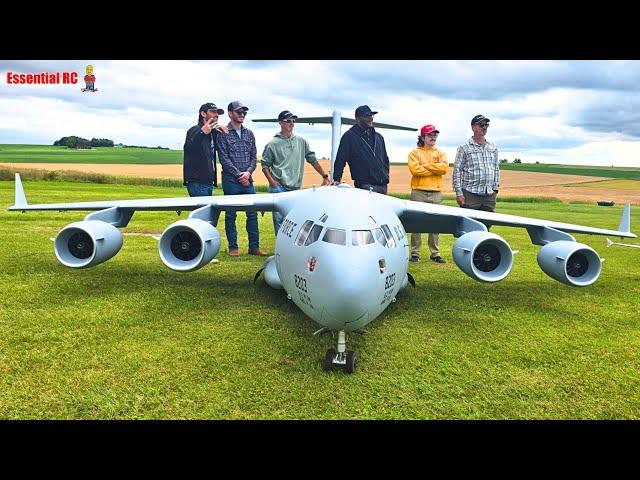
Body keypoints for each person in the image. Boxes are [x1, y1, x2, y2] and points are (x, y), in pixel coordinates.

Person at [261, 110, 332, 235]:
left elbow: (313, 160)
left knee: (295, 220)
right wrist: (272, 182)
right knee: (279, 220)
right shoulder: (272, 144)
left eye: (293, 120)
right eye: (288, 120)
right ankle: (281, 250)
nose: (292, 123)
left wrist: (325, 176)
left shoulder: (301, 141)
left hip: (295, 188)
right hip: (279, 188)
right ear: (281, 123)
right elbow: (265, 165)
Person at [216, 100, 268, 257]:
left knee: (252, 214)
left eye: (244, 112)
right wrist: (239, 175)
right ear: (230, 114)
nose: (242, 114)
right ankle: (233, 248)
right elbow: (224, 158)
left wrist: (248, 173)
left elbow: (254, 157)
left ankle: (254, 247)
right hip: (231, 181)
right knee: (231, 214)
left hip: (248, 180)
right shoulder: (222, 133)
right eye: (239, 112)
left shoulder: (249, 134)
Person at [407, 124, 448, 263]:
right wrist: (434, 167)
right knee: (416, 222)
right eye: (430, 135)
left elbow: (444, 168)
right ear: (423, 137)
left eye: (435, 135)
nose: (433, 137)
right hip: (418, 190)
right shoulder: (414, 153)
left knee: (435, 222)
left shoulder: (440, 152)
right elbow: (415, 170)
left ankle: (435, 253)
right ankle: (415, 253)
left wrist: (425, 166)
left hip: (436, 191)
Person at [332, 105, 390, 194]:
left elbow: (385, 159)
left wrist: (386, 175)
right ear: (358, 119)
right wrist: (336, 179)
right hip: (365, 186)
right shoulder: (349, 137)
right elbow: (340, 159)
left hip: (383, 186)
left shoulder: (379, 137)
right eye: (367, 116)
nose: (371, 118)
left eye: (372, 115)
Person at [453, 114, 500, 212]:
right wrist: (459, 193)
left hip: (489, 195)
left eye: (486, 125)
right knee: (469, 225)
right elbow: (457, 170)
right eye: (481, 125)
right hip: (470, 194)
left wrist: (495, 189)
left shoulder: (493, 147)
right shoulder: (464, 147)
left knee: (487, 225)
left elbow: (496, 168)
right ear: (473, 127)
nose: (484, 127)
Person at [183, 102, 228, 197]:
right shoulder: (194, 130)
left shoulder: (213, 133)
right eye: (212, 112)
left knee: (208, 211)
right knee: (204, 211)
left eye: (217, 113)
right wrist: (202, 133)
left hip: (208, 182)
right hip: (197, 182)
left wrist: (222, 132)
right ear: (203, 114)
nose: (216, 115)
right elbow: (189, 149)